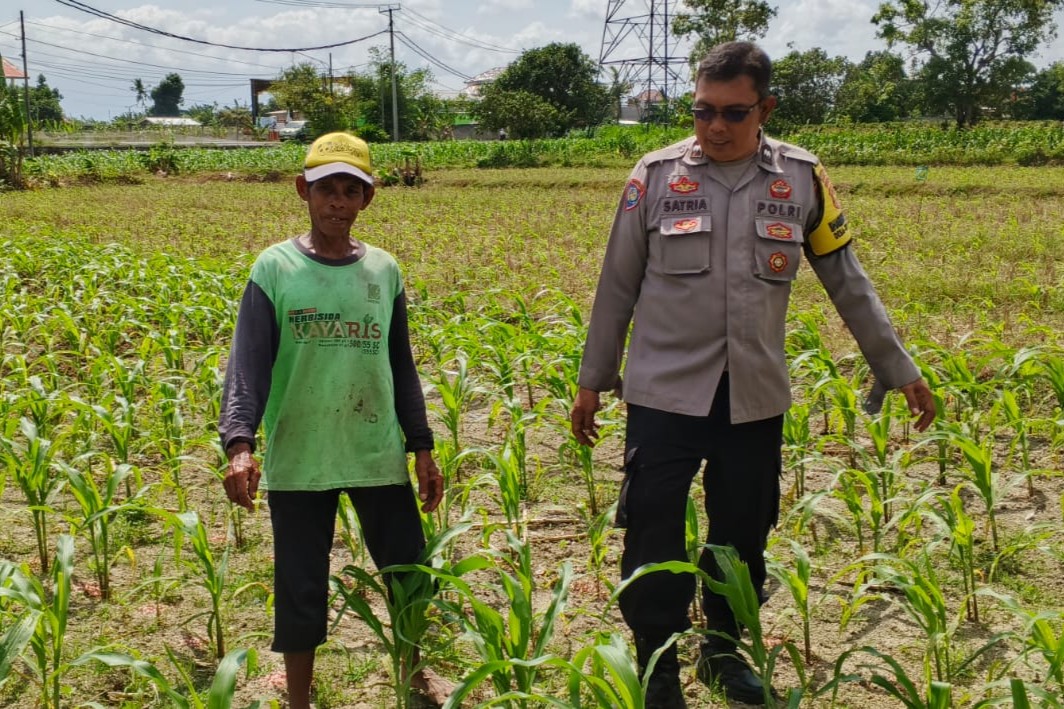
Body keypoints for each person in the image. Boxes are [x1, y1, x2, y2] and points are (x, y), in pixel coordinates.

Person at [569, 42, 936, 708]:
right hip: (663, 392)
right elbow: (615, 285)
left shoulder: (800, 180)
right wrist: (593, 378)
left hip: (753, 394)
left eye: (733, 113)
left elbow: (846, 280)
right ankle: (656, 666)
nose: (714, 127)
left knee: (743, 530)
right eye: (702, 111)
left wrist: (896, 365)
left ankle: (724, 653)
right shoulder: (654, 178)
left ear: (764, 108)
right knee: (653, 528)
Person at [218, 131, 452, 708]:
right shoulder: (274, 269)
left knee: (407, 571)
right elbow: (248, 364)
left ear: (367, 200)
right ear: (304, 191)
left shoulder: (383, 271)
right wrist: (239, 444)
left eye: (352, 190)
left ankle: (415, 670)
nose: (338, 202)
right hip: (300, 456)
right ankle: (299, 698)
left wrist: (421, 445)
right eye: (327, 189)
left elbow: (401, 365)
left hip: (374, 450)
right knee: (300, 587)